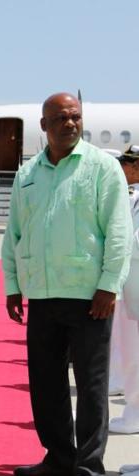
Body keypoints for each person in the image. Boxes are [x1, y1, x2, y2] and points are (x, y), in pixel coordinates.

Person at [2, 93, 132, 476]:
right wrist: (12, 285)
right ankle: (59, 456)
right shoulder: (29, 174)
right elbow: (14, 234)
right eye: (59, 118)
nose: (69, 123)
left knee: (91, 387)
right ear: (44, 126)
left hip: (89, 296)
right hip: (42, 293)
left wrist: (110, 284)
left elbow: (119, 232)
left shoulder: (102, 167)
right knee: (45, 382)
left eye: (75, 117)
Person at [109, 145, 139, 437]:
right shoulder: (135, 196)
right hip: (131, 294)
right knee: (131, 357)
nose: (123, 168)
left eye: (128, 164)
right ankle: (133, 415)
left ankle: (134, 417)